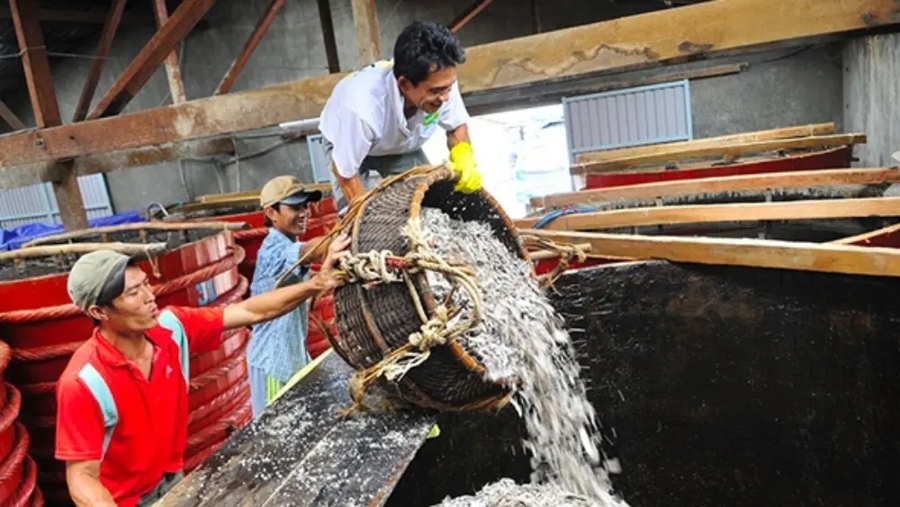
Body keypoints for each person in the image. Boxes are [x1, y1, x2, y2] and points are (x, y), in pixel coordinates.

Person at [54, 233, 350, 507]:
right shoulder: (84, 382)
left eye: (145, 283)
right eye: (133, 293)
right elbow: (81, 477)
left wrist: (316, 283)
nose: (149, 296)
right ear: (99, 312)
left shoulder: (170, 328)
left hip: (173, 480)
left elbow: (251, 311)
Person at [319, 20, 482, 214]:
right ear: (404, 85)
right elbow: (345, 173)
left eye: (449, 87)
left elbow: (456, 126)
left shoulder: (442, 83)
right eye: (436, 91)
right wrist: (366, 218)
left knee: (432, 202)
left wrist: (464, 155)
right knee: (355, 218)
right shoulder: (362, 107)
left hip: (400, 147)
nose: (446, 97)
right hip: (346, 144)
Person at [247, 175, 326, 417]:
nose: (303, 213)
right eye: (294, 207)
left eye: (305, 206)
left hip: (293, 357)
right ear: (271, 212)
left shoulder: (288, 243)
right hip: (274, 363)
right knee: (275, 438)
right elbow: (310, 251)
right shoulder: (273, 249)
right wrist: (346, 239)